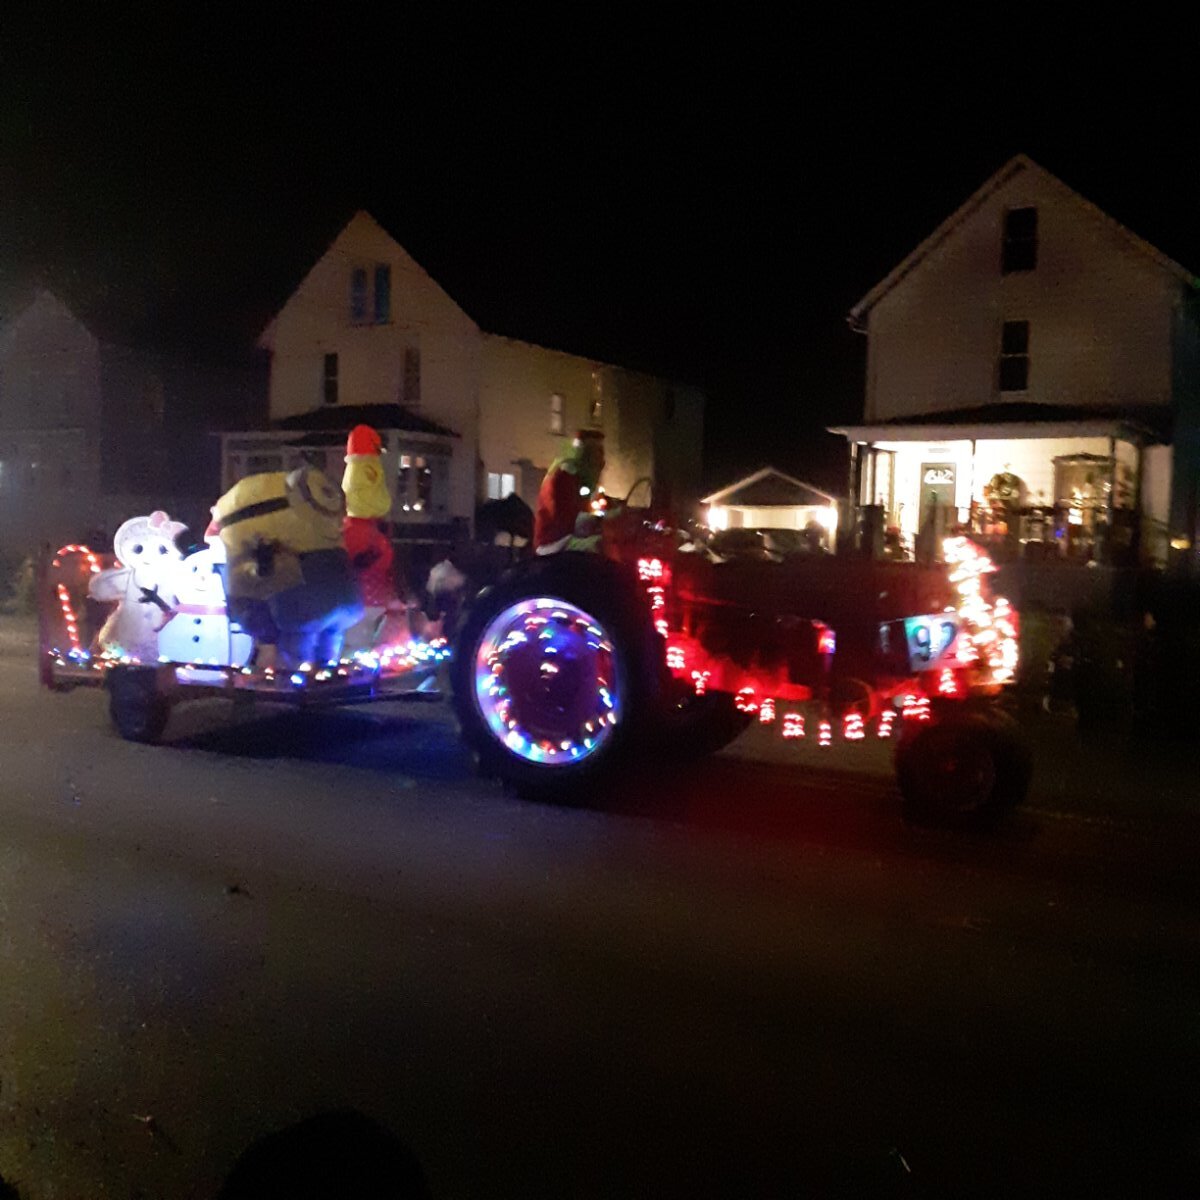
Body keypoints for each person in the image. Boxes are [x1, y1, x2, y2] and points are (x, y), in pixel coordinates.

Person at [533, 429, 607, 554]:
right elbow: (569, 519)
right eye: (598, 456)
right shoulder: (564, 477)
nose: (602, 465)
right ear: (586, 457)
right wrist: (601, 521)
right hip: (552, 543)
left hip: (564, 538)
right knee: (600, 545)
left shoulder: (577, 478)